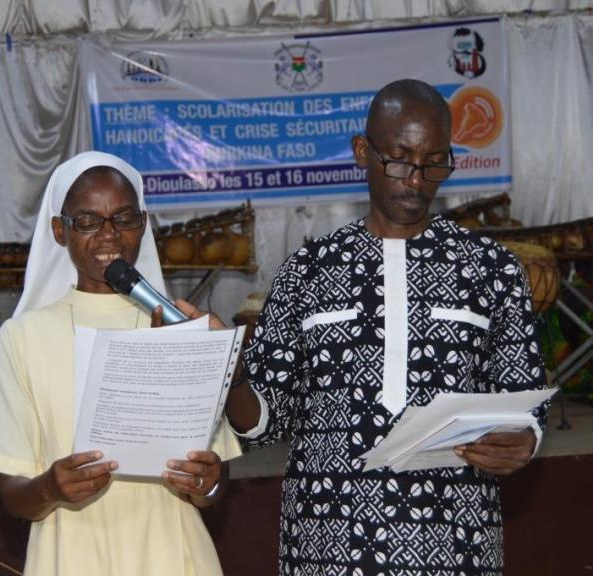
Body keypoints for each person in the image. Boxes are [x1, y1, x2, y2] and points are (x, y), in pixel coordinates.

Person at [180, 79, 547, 575]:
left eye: (434, 161)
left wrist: (525, 439)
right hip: (327, 540)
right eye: (399, 159)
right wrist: (232, 365)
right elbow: (264, 424)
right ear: (362, 152)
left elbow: (523, 400)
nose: (416, 180)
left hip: (456, 539)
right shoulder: (308, 270)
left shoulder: (492, 270)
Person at [0, 151, 241, 575]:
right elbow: (13, 494)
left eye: (124, 219)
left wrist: (207, 484)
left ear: (142, 225)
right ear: (60, 230)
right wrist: (50, 487)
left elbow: (214, 480)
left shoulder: (179, 327)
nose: (109, 235)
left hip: (173, 553)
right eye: (89, 221)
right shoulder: (22, 338)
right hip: (72, 556)